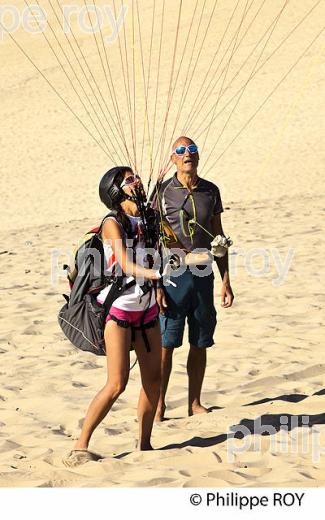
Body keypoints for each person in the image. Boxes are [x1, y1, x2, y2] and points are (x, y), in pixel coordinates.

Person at [63, 166, 162, 467]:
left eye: (136, 177)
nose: (137, 181)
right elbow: (124, 261)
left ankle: (144, 444)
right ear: (116, 192)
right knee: (116, 383)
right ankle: (81, 446)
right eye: (129, 179)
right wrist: (154, 273)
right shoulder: (111, 222)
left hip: (147, 310)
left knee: (154, 380)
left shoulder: (150, 218)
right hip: (119, 311)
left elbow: (164, 250)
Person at [153, 136, 234, 421]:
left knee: (200, 339)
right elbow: (151, 240)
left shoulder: (211, 191)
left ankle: (194, 402)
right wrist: (155, 284)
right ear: (173, 159)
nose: (188, 154)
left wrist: (226, 279)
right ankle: (159, 403)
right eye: (181, 151)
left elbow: (219, 235)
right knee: (167, 342)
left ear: (198, 157)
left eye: (192, 150)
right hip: (173, 274)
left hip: (203, 273)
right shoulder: (162, 193)